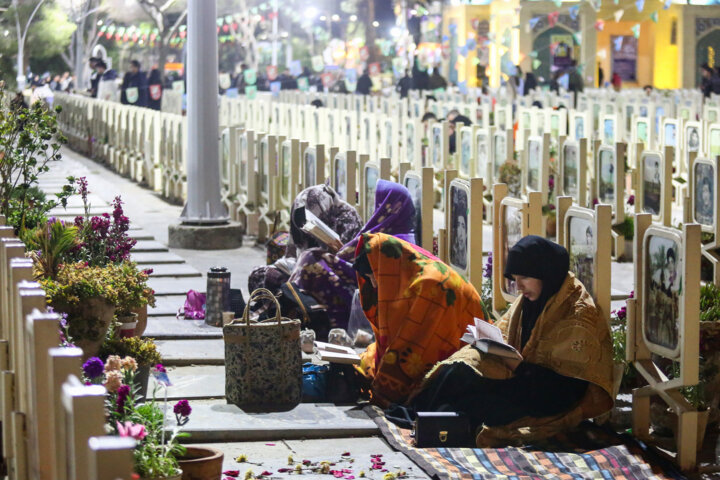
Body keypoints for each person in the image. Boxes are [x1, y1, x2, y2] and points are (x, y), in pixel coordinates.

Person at [386, 236, 614, 446]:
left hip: (547, 401)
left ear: (546, 272)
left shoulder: (576, 311)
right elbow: (504, 335)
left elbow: (564, 392)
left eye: (524, 277)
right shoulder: (535, 298)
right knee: (457, 372)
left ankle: (429, 421)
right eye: (515, 279)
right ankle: (423, 417)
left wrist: (517, 365)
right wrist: (491, 347)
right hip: (522, 380)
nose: (519, 286)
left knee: (469, 404)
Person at [353, 232, 485, 406]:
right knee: (364, 363)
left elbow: (416, 346)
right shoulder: (408, 273)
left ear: (387, 268)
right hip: (433, 346)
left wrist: (384, 389)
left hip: (464, 359)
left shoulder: (430, 284)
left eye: (374, 276)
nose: (374, 285)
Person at [287, 180, 416, 329]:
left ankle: (294, 307)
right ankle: (292, 302)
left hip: (364, 286)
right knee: (302, 262)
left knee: (310, 259)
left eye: (379, 203)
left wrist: (336, 253)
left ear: (390, 206)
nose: (376, 208)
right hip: (356, 276)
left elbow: (364, 266)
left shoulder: (394, 238)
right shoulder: (387, 228)